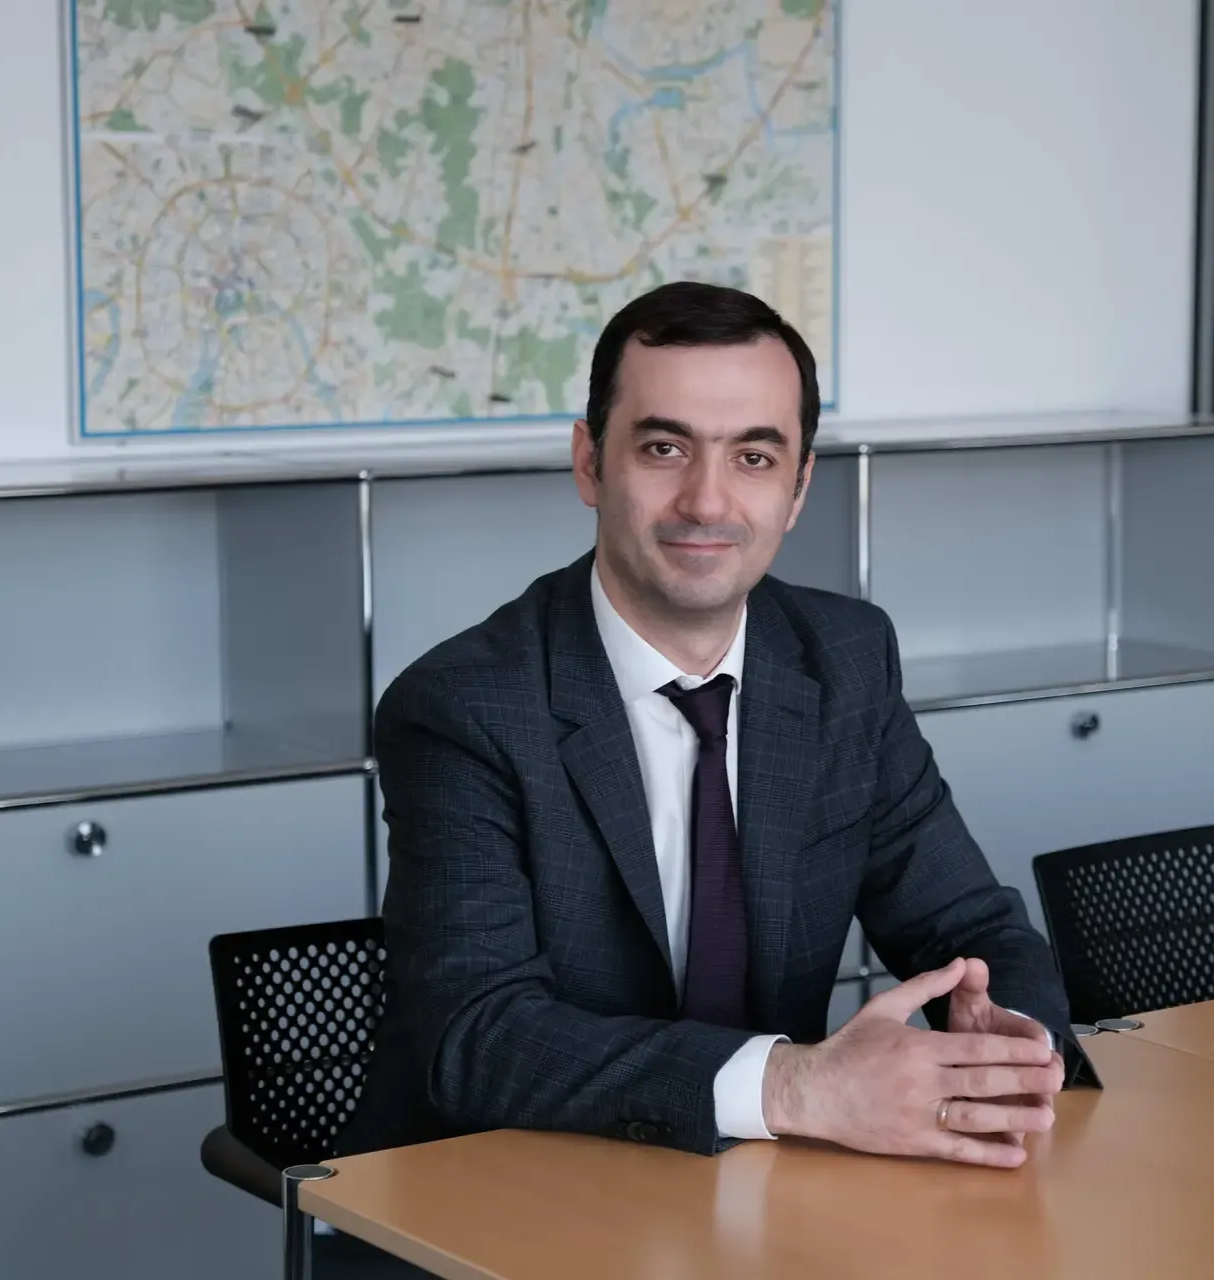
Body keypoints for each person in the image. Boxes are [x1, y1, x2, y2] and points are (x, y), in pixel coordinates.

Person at [341, 281, 1094, 1173]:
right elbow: (479, 1036)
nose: (706, 502)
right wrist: (798, 1087)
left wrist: (1008, 1036)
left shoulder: (844, 661)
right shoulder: (466, 706)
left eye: (754, 457)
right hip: (501, 1186)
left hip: (761, 1185)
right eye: (664, 448)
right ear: (590, 464)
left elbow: (966, 921)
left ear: (799, 487)